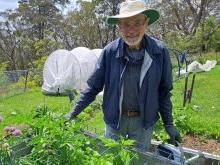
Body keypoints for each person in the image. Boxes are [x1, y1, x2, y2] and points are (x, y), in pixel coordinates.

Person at [65, 0, 182, 151]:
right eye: (126, 24)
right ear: (119, 27)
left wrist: (169, 124)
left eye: (137, 23)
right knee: (112, 157)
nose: (131, 30)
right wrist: (73, 113)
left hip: (144, 123)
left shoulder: (159, 52)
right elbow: (93, 86)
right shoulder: (110, 52)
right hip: (115, 120)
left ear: (146, 23)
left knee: (138, 159)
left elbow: (164, 91)